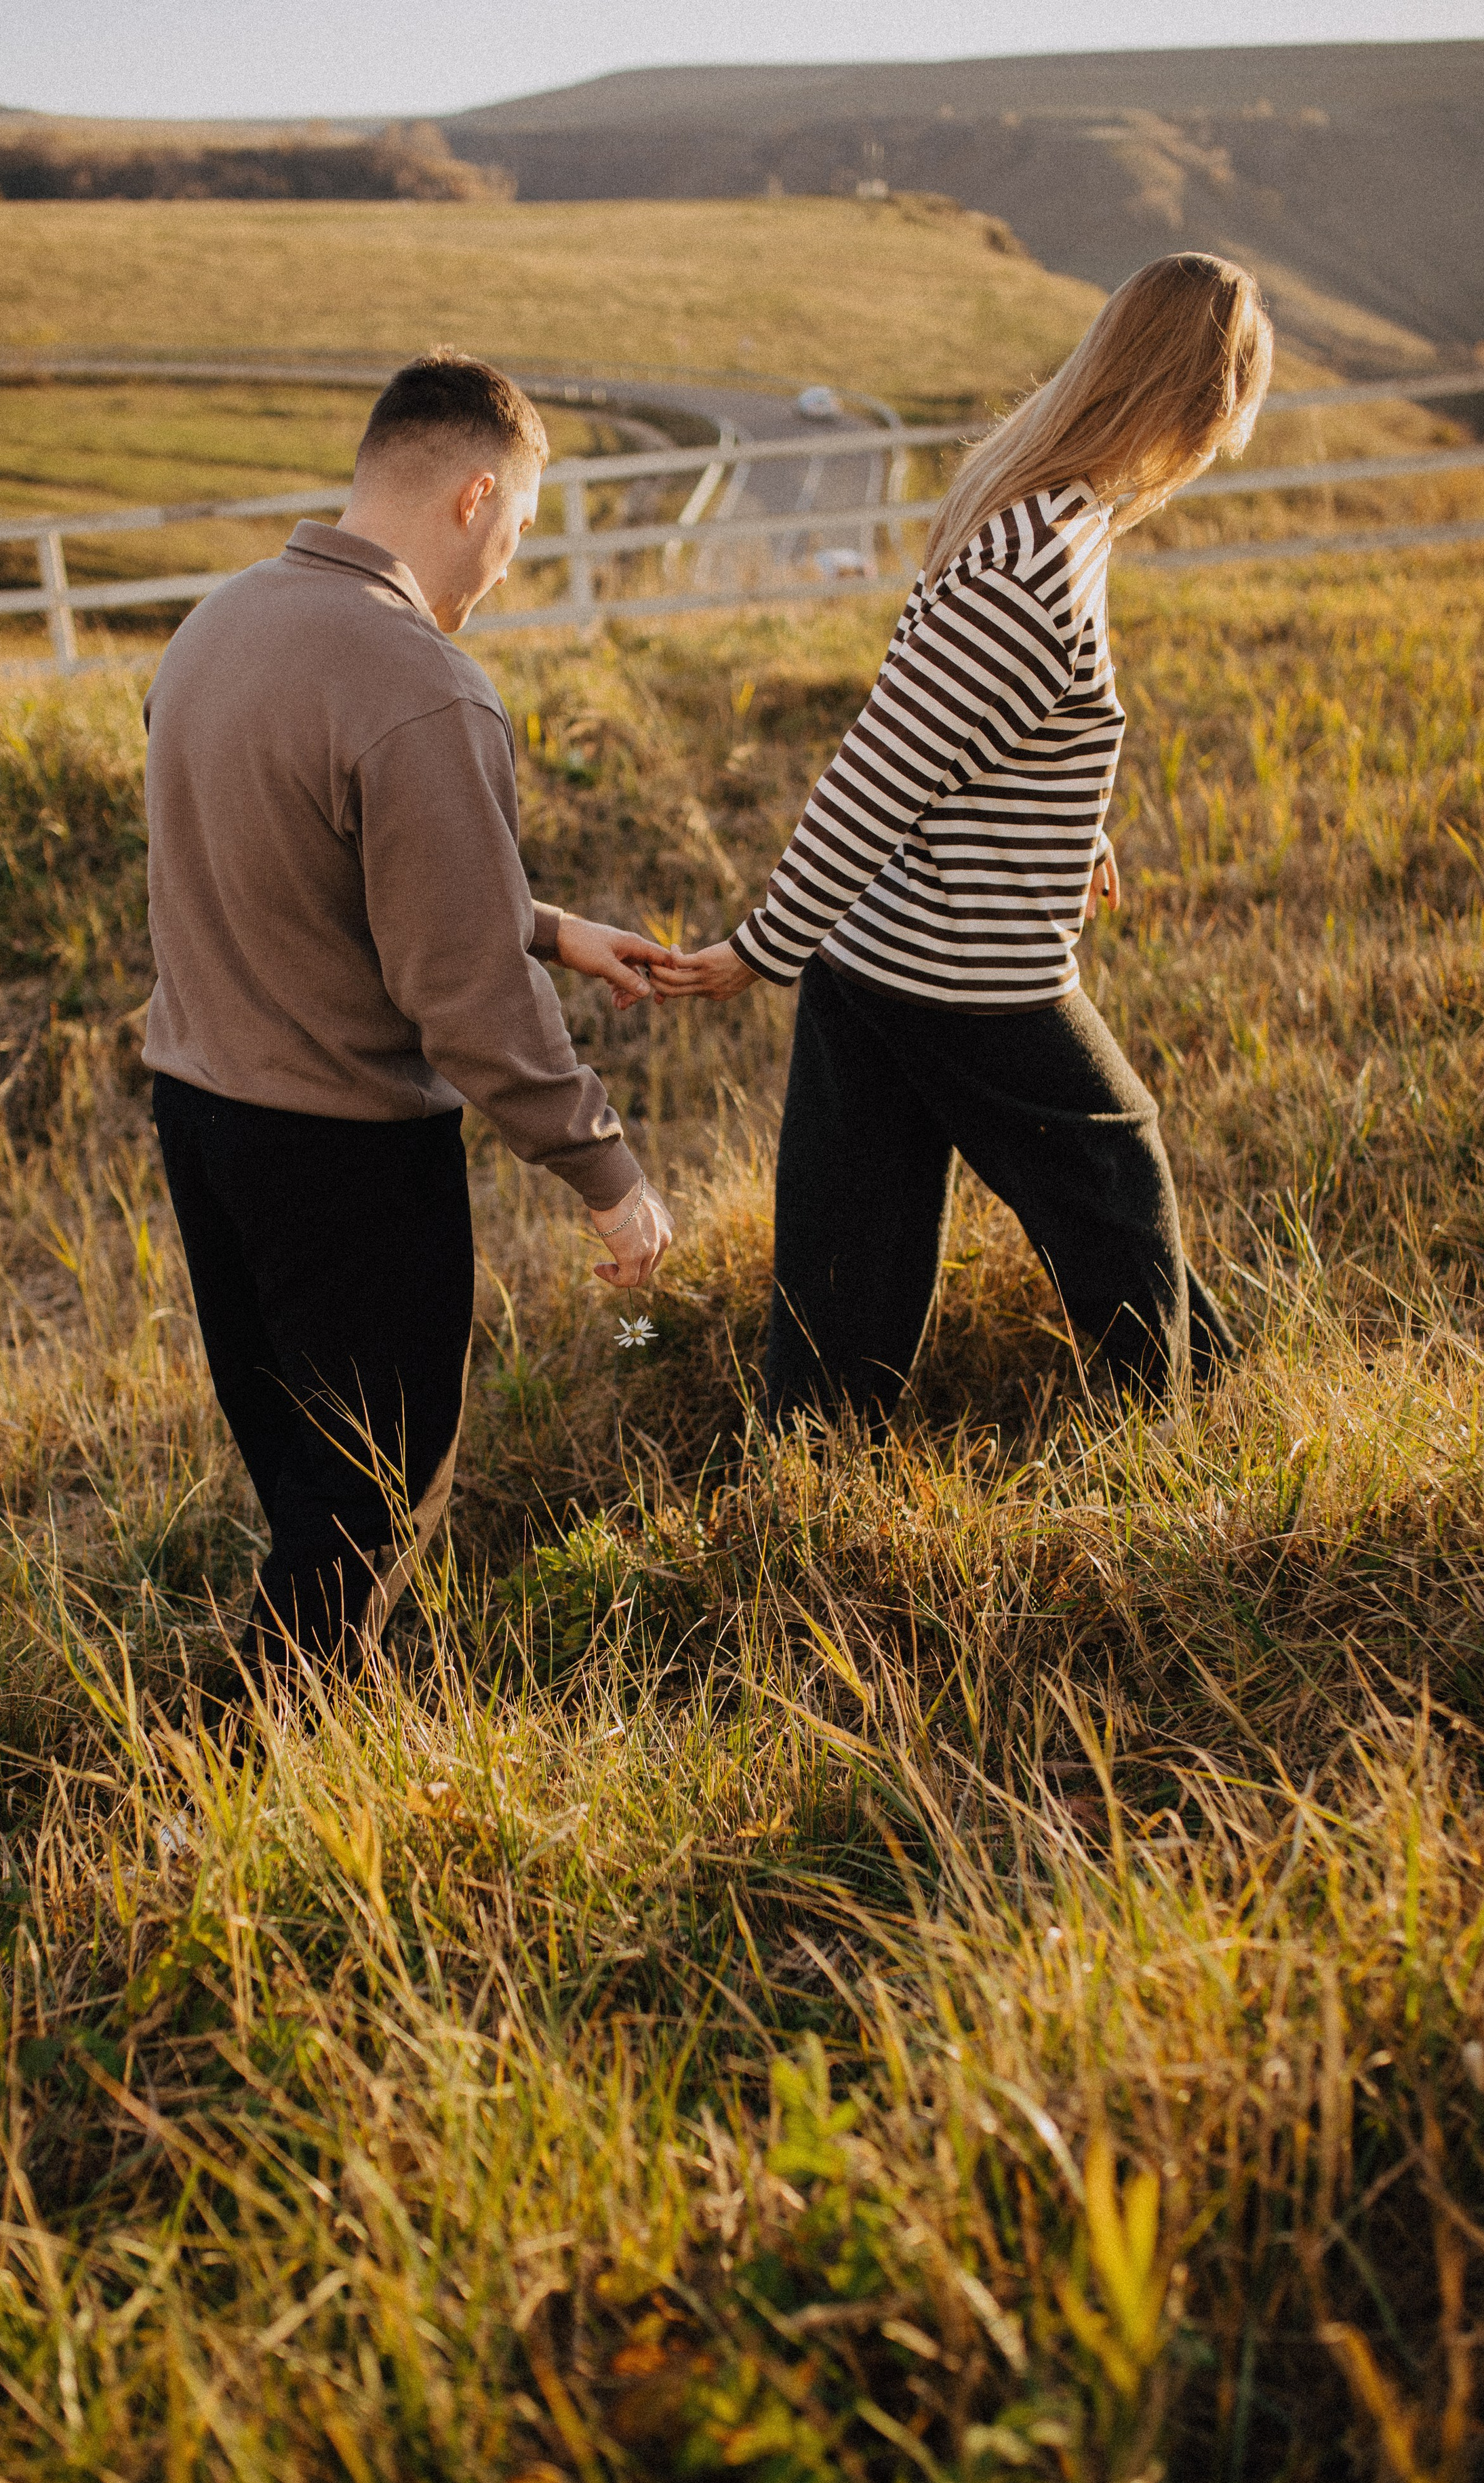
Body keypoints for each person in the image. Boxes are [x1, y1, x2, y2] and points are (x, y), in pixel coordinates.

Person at [661, 254, 1272, 1429]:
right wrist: (759, 948)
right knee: (1116, 1172)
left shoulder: (1055, 513)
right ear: (1197, 403)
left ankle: (814, 1461)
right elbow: (881, 772)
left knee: (856, 1236)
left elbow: (1018, 721)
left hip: (878, 955)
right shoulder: (1034, 558)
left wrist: (1077, 827)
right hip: (962, 966)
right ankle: (1194, 1423)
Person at [142, 349, 675, 1673]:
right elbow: (469, 1003)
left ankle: (349, 1714)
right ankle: (244, 1781)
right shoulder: (418, 683)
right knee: (376, 1493)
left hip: (204, 1120)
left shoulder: (218, 625)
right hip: (343, 1153)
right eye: (523, 527)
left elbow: (300, 865)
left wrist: (546, 924)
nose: (510, 558)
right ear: (474, 496)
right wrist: (607, 1176)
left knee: (302, 1473)